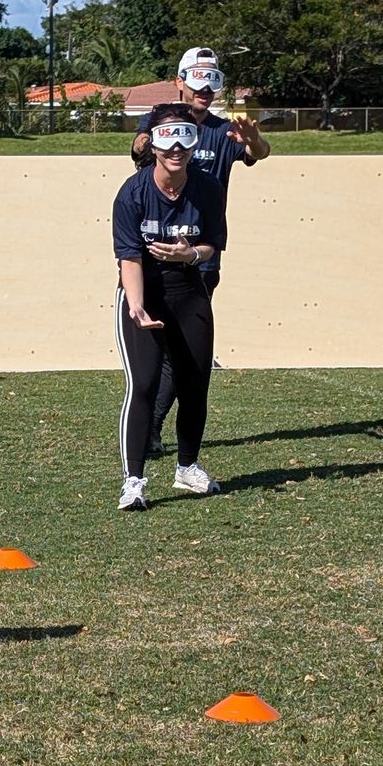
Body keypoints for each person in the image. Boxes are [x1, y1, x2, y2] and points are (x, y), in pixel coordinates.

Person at [129, 47, 272, 454]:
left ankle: (153, 428)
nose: (205, 89)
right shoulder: (161, 120)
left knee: (182, 349)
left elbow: (257, 154)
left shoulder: (225, 131)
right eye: (196, 80)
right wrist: (149, 137)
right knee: (152, 343)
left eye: (213, 80)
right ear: (180, 81)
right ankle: (148, 426)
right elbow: (139, 146)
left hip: (201, 257)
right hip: (153, 253)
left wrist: (256, 140)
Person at [114, 102, 230, 511]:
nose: (177, 146)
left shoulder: (207, 188)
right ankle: (133, 480)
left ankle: (187, 467)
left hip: (189, 290)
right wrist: (138, 306)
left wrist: (189, 256)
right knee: (143, 384)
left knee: (195, 384)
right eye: (167, 137)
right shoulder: (133, 192)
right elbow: (128, 256)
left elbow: (211, 244)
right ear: (153, 144)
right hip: (143, 292)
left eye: (185, 135)